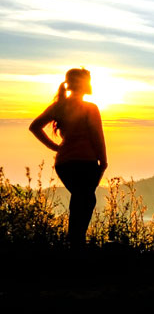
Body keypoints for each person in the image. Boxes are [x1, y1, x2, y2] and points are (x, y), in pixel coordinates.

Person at [29, 68, 108, 246]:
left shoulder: (59, 106)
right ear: (84, 83)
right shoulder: (90, 108)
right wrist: (103, 161)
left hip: (64, 164)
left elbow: (35, 127)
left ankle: (75, 243)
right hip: (86, 162)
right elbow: (97, 135)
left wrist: (57, 148)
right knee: (86, 200)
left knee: (80, 198)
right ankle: (76, 244)